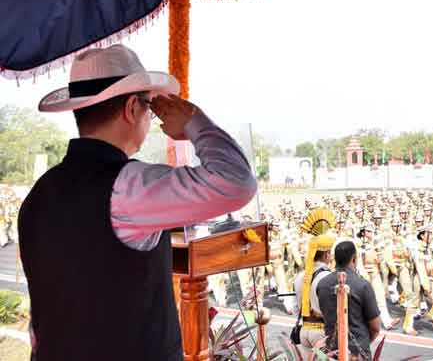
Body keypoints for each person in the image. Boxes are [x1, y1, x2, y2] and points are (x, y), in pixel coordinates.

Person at [18, 45, 257, 361]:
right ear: (132, 108)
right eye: (150, 107)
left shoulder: (40, 192)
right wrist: (194, 123)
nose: (151, 117)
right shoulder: (129, 188)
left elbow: (41, 319)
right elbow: (237, 183)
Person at [317, 241, 381, 361]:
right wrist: (363, 342)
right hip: (357, 353)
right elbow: (375, 327)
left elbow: (324, 315)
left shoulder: (322, 284)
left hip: (332, 349)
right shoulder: (362, 285)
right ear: (354, 259)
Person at [293, 208, 336, 358]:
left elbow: (294, 307)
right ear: (326, 254)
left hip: (304, 330)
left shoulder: (300, 276)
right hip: (321, 332)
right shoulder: (327, 277)